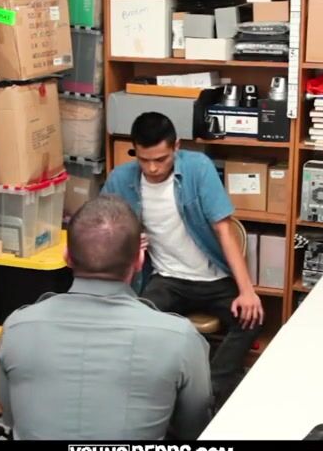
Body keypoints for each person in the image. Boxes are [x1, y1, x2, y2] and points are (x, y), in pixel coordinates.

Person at [0, 195, 213, 440]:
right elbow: (195, 428)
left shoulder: (16, 328)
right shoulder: (180, 338)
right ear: (139, 260)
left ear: (67, 256)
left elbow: (11, 420)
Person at [101, 112, 264, 404]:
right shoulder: (121, 179)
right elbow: (99, 230)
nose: (152, 168)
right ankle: (162, 389)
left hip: (213, 278)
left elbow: (224, 230)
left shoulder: (198, 168)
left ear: (176, 146)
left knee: (252, 318)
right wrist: (126, 240)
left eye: (161, 159)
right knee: (135, 324)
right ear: (134, 151)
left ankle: (209, 388)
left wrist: (247, 290)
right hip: (167, 279)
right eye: (144, 160)